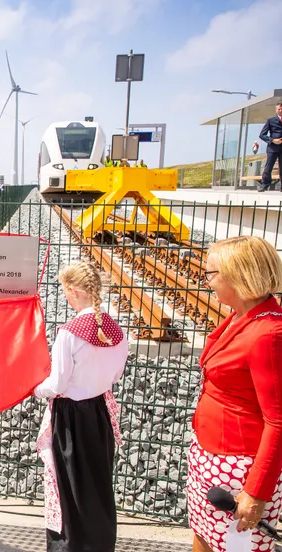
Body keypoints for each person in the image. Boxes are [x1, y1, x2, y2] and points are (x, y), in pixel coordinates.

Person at [186, 236, 282, 552]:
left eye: (211, 274)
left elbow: (278, 421)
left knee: (234, 545)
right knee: (204, 536)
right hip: (211, 456)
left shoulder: (268, 335)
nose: (207, 281)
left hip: (239, 469)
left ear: (238, 276)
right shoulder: (241, 317)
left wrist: (255, 492)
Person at [34, 261, 128, 552]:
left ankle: (69, 546)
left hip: (70, 418)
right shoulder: (116, 329)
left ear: (74, 291)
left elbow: (58, 384)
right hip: (99, 413)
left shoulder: (70, 332)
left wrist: (37, 389)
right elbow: (115, 375)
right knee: (98, 483)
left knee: (69, 487)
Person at [257, 102, 282, 192]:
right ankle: (265, 184)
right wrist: (272, 140)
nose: (280, 110)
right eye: (279, 109)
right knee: (268, 167)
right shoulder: (270, 120)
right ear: (276, 110)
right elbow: (262, 135)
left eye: (281, 109)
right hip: (272, 148)